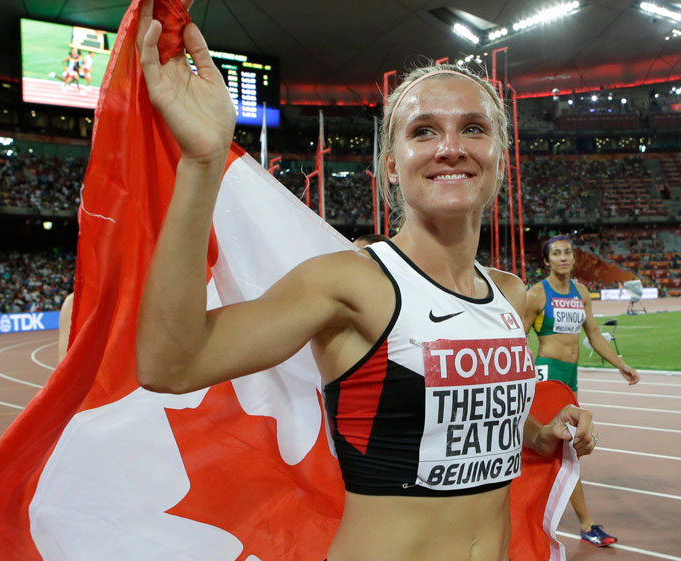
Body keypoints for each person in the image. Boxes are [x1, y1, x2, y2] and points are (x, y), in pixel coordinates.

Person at [134, 3, 597, 559]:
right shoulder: (351, 283)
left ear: (498, 156)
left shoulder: (508, 292)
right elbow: (170, 364)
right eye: (423, 131)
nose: (451, 146)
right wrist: (202, 162)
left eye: (472, 128)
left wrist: (537, 436)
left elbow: (473, 422)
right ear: (392, 166)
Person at [524, 235, 640, 548]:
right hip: (547, 376)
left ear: (574, 259)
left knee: (559, 450)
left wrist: (620, 364)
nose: (563, 258)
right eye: (556, 254)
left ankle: (534, 513)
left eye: (568, 253)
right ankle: (586, 523)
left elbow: (594, 334)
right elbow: (518, 339)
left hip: (571, 377)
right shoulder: (537, 294)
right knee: (565, 449)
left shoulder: (581, 293)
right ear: (546, 261)